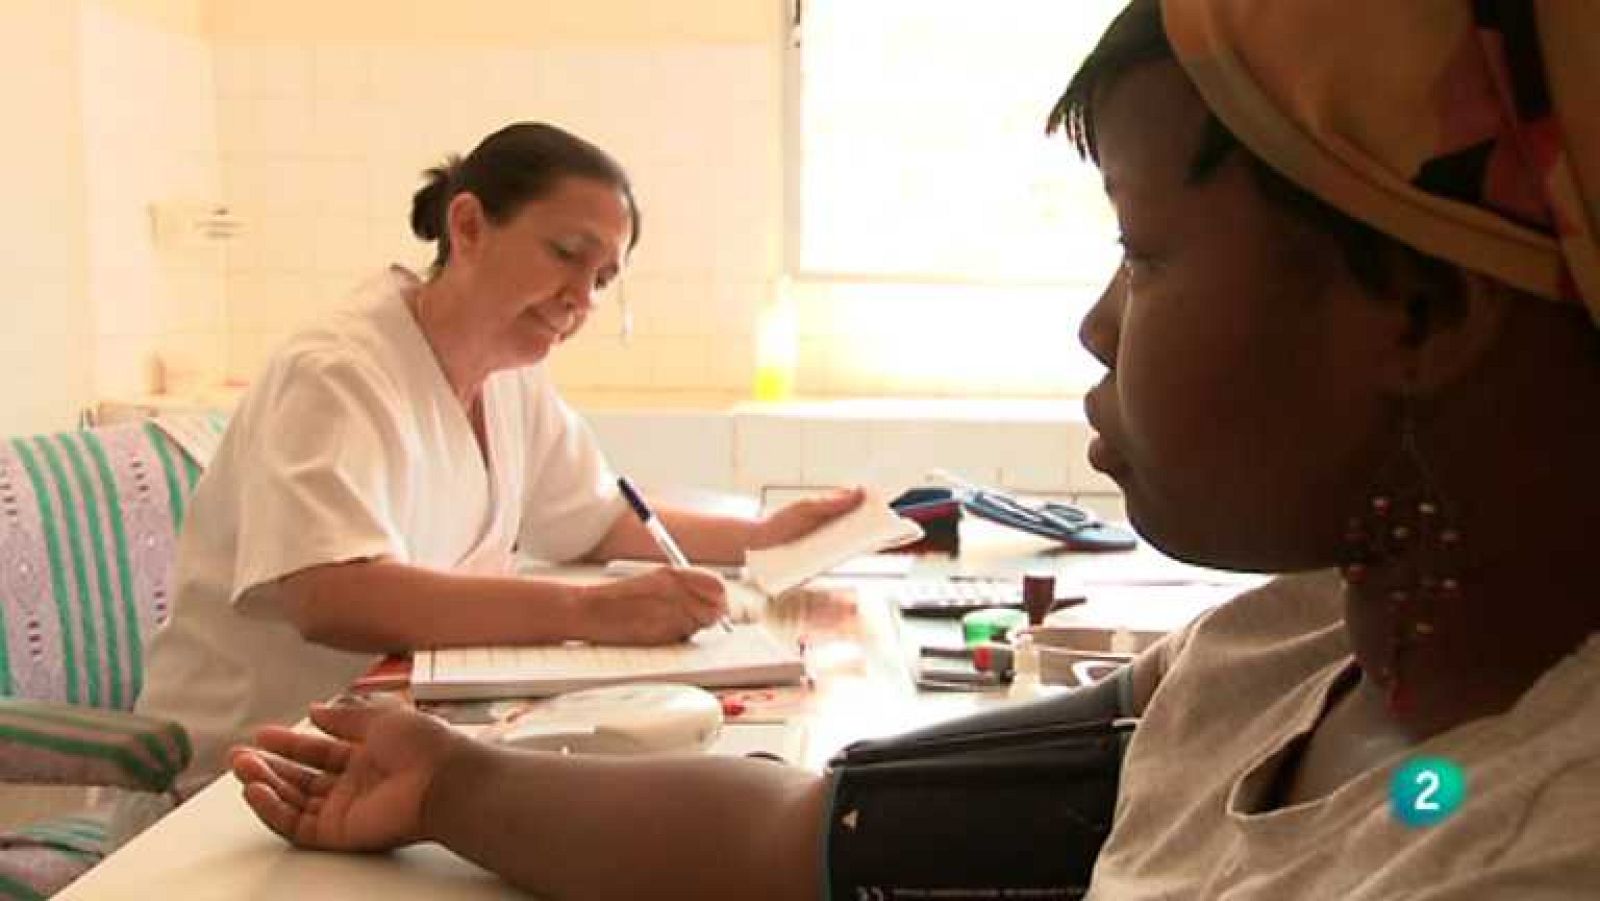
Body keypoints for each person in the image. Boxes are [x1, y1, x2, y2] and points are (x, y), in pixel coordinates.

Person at [229, 2, 1600, 898]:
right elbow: (814, 828)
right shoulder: (1285, 663)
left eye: (1142, 246)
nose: (1097, 321)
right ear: (465, 226)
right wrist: (456, 780)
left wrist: (752, 542)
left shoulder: (1528, 848)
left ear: (1423, 309)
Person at [121, 122, 863, 824]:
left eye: (604, 276)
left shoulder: (510, 375)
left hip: (386, 761)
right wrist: (588, 616)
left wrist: (762, 538)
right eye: (567, 253)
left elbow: (595, 518)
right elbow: (331, 592)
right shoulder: (340, 371)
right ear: (468, 226)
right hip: (250, 780)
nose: (583, 296)